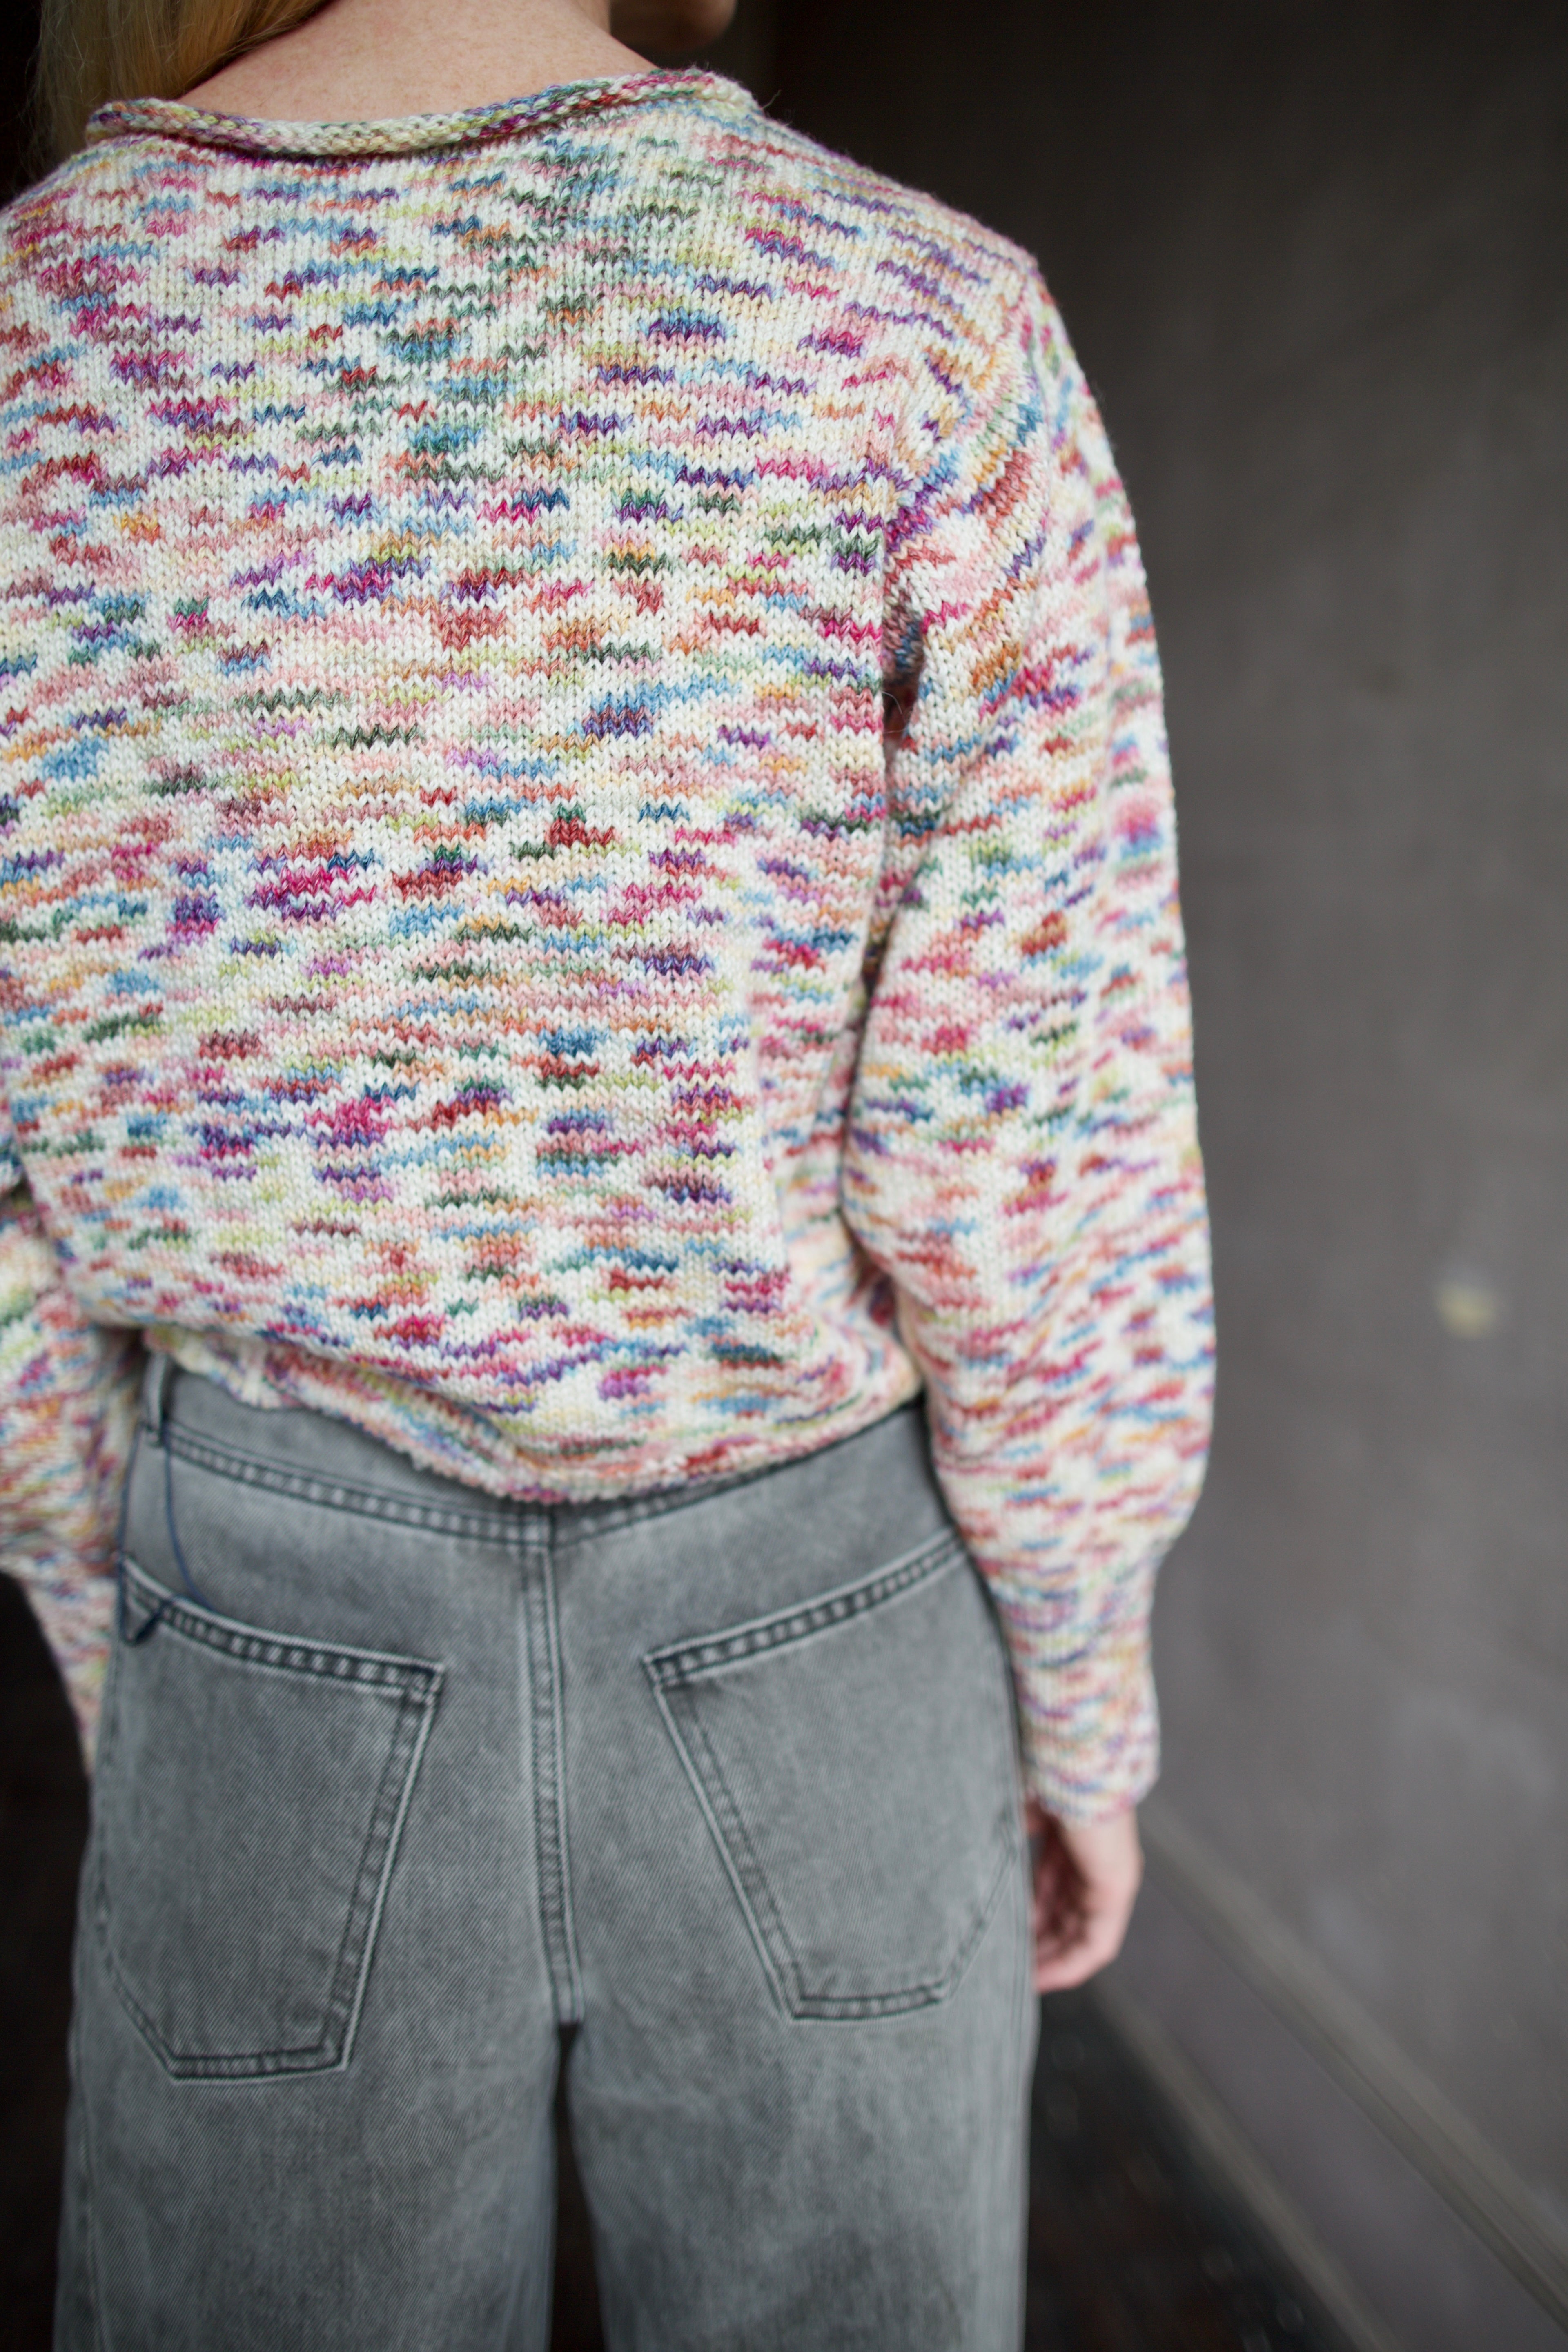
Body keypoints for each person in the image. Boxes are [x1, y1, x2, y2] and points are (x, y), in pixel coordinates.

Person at [0, 0, 1212, 2340]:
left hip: (275, 1603)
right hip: (823, 1620)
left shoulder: (37, 338)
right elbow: (1032, 1145)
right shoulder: (918, 321)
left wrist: (125, 1641)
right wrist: (1084, 1700)